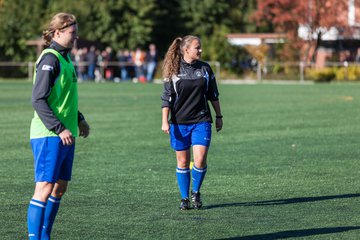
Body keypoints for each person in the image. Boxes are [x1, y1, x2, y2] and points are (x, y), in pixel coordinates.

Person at [28, 12, 90, 239]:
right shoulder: (50, 58)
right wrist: (59, 128)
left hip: (65, 133)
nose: (76, 36)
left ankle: (46, 235)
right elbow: (38, 99)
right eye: (72, 32)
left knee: (59, 187)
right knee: (44, 188)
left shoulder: (65, 59)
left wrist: (79, 119)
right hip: (49, 134)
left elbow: (63, 98)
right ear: (57, 32)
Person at [161, 35, 223, 210]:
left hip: (201, 120)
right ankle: (184, 198)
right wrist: (164, 121)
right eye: (197, 47)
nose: (201, 50)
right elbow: (166, 98)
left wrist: (219, 116)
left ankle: (195, 192)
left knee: (200, 159)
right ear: (186, 49)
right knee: (182, 162)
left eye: (200, 47)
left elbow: (213, 95)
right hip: (179, 123)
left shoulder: (205, 69)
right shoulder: (172, 69)